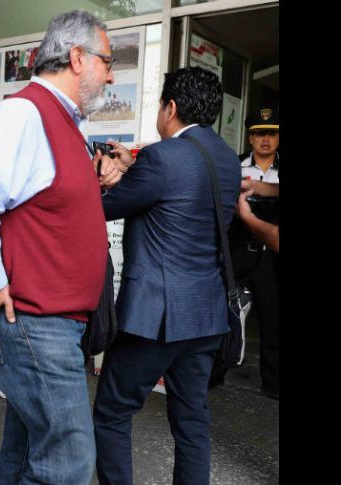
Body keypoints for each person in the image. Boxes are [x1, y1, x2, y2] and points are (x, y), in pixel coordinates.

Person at [0, 10, 124, 483]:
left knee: (28, 453)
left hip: (47, 322)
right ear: (77, 57)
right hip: (32, 321)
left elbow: (41, 206)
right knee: (68, 461)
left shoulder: (58, 121)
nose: (111, 73)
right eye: (107, 61)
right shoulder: (26, 113)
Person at [92, 66, 241, 485]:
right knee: (192, 421)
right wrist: (135, 163)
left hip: (154, 319)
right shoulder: (227, 160)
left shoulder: (162, 157)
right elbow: (183, 190)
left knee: (113, 410)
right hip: (206, 314)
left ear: (170, 107)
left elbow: (108, 206)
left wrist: (104, 175)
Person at [213, 108, 280, 399]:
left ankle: (273, 385)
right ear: (250, 136)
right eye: (259, 133)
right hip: (239, 252)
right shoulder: (234, 166)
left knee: (273, 320)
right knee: (224, 312)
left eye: (271, 133)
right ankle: (216, 374)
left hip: (271, 257)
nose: (265, 139)